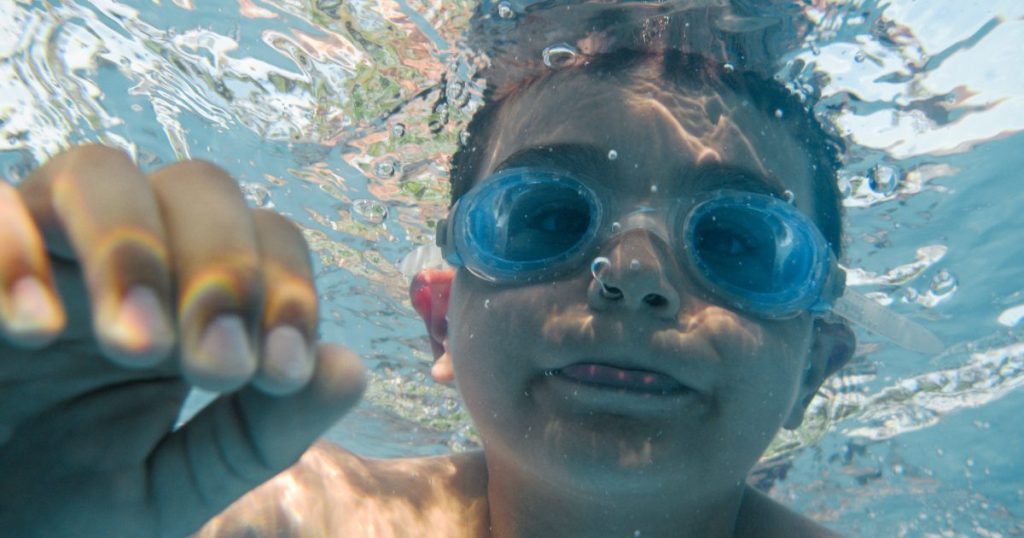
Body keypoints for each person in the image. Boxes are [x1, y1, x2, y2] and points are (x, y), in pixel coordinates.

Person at [0, 39, 875, 536]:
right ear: (441, 323)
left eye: (737, 242)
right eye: (542, 219)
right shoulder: (295, 521)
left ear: (813, 368)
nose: (636, 278)